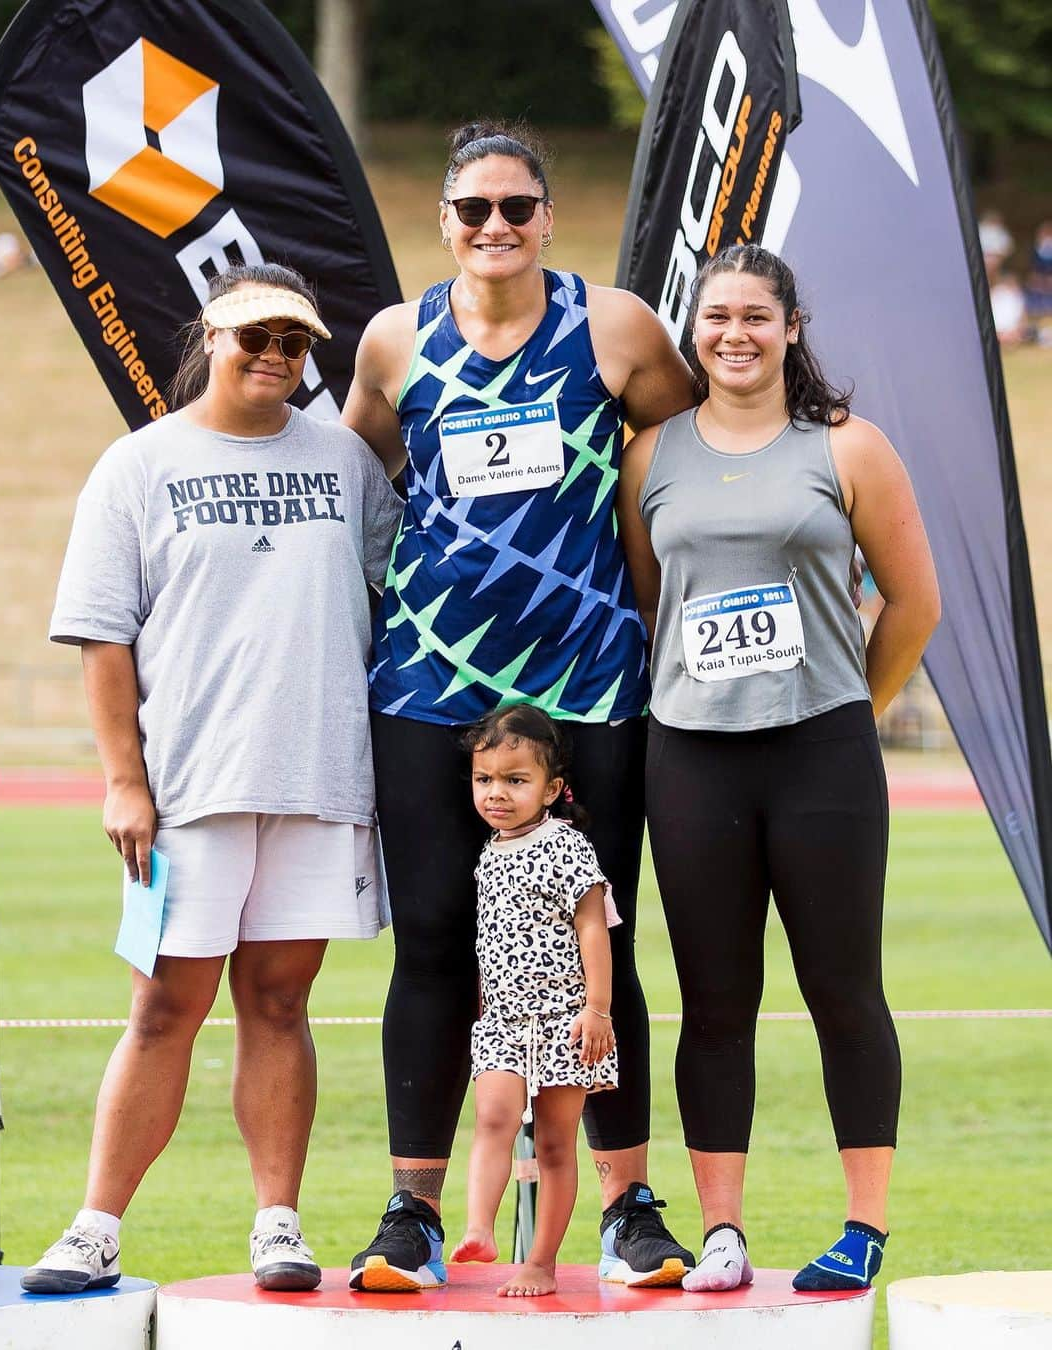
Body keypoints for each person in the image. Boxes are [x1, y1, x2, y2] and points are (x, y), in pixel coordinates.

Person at [342, 120, 696, 1291]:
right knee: (438, 936)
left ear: (548, 216)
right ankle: (413, 1213)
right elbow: (361, 473)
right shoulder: (395, 340)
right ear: (442, 221)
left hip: (587, 679)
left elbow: (685, 450)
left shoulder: (616, 327)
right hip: (429, 680)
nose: (495, 226)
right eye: (473, 208)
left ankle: (627, 1204)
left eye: (516, 207)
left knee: (601, 942)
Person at [24, 263, 403, 1295]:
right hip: (189, 790)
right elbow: (104, 637)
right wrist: (123, 781)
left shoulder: (345, 462)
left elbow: (402, 589)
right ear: (210, 335)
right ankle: (96, 1225)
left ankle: (277, 1223)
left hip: (321, 779)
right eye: (255, 337)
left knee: (281, 1003)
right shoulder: (139, 465)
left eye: (294, 342)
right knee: (163, 1008)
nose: (275, 356)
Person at [616, 244, 940, 1294]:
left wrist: (850, 710)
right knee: (714, 1001)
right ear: (693, 331)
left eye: (758, 316)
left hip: (822, 756)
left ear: (791, 328)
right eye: (717, 318)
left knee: (843, 990)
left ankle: (863, 1227)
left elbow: (913, 603)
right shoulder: (651, 454)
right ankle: (721, 1232)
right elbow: (650, 600)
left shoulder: (848, 448)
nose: (736, 335)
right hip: (694, 761)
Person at [450, 705, 617, 1297]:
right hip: (501, 1021)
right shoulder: (489, 853)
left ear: (551, 789)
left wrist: (597, 1010)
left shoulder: (567, 847)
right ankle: (477, 1227)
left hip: (565, 1020)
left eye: (515, 780)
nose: (497, 793)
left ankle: (541, 1261)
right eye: (485, 779)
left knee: (554, 1142)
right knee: (492, 1117)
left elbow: (593, 930)